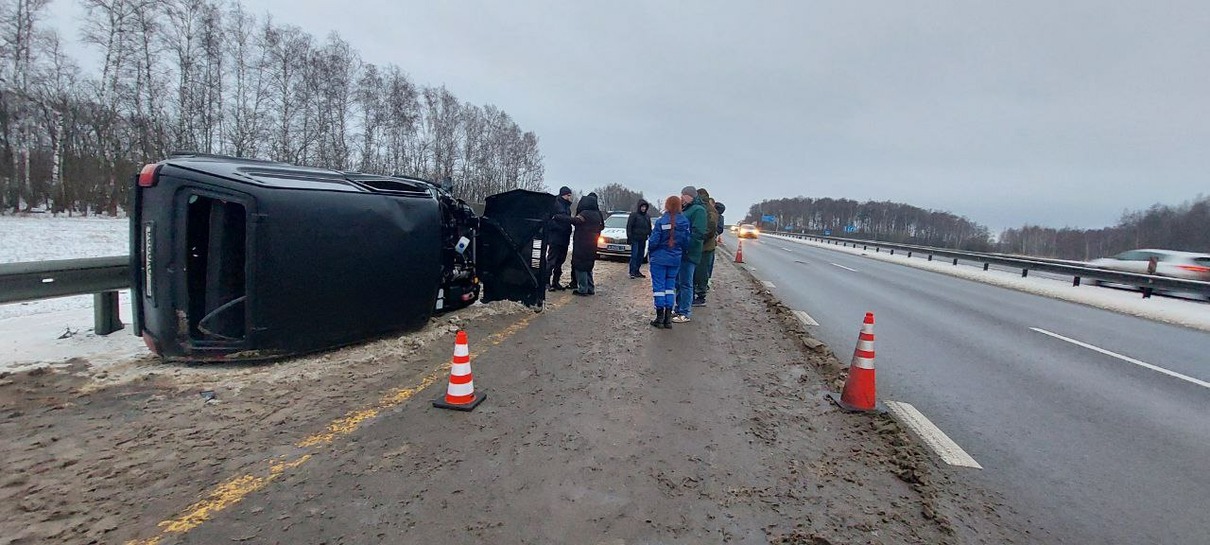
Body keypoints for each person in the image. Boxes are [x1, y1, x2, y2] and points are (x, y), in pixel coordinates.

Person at [647, 195, 690, 328]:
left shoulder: (661, 221)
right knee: (670, 287)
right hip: (675, 259)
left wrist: (651, 251)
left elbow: (654, 241)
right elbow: (686, 242)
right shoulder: (684, 222)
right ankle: (668, 319)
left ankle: (660, 318)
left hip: (659, 259)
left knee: (659, 288)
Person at [673, 186, 707, 323]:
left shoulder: (698, 210)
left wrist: (686, 246)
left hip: (689, 253)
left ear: (690, 196)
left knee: (686, 283)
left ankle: (685, 312)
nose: (681, 198)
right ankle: (678, 308)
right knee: (678, 283)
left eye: (683, 195)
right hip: (680, 252)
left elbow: (698, 233)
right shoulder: (686, 209)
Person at [569, 193, 604, 295]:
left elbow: (575, 221)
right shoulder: (598, 214)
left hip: (581, 243)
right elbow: (602, 227)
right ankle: (591, 288)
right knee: (589, 266)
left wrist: (559, 217)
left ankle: (583, 289)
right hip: (593, 243)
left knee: (580, 266)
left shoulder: (584, 213)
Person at [693, 188, 720, 307]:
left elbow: (711, 229)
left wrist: (699, 238)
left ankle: (701, 295)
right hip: (698, 245)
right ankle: (696, 292)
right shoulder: (700, 208)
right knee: (696, 271)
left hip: (705, 247)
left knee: (702, 272)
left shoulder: (710, 210)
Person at [547, 186, 575, 291]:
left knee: (560, 261)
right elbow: (550, 221)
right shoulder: (555, 205)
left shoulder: (566, 206)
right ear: (563, 194)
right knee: (551, 261)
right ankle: (546, 282)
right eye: (568, 195)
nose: (569, 197)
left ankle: (555, 281)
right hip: (556, 238)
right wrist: (560, 227)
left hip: (564, 238)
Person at [626, 199, 652, 279]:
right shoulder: (634, 215)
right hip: (635, 238)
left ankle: (637, 270)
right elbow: (629, 226)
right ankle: (632, 272)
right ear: (639, 207)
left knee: (641, 256)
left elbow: (649, 227)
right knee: (634, 255)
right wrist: (629, 237)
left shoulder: (647, 216)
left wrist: (650, 235)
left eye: (645, 207)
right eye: (642, 207)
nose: (643, 208)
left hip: (643, 239)